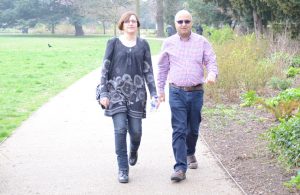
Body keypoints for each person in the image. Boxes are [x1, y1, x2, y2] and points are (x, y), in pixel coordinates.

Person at [96, 11, 158, 183]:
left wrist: (154, 93)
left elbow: (148, 70)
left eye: (134, 21)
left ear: (137, 25)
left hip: (137, 94)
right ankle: (123, 169)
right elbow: (105, 69)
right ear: (122, 25)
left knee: (136, 132)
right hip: (115, 92)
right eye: (127, 21)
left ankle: (134, 149)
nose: (131, 23)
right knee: (120, 129)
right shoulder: (113, 43)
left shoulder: (143, 44)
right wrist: (103, 93)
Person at [156, 10, 218, 182]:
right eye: (180, 21)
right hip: (176, 92)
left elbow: (211, 61)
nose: (183, 24)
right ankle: (180, 168)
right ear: (175, 23)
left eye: (187, 21)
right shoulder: (168, 43)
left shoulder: (202, 42)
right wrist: (160, 90)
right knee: (179, 129)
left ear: (191, 23)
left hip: (196, 92)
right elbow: (162, 68)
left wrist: (212, 74)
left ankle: (190, 152)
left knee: (193, 129)